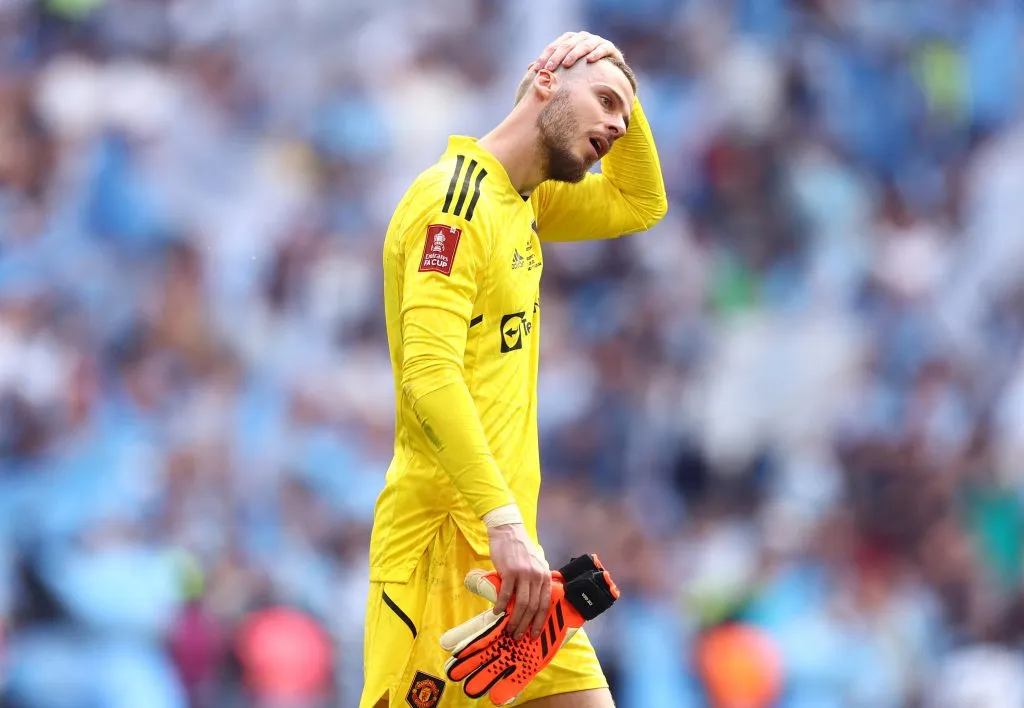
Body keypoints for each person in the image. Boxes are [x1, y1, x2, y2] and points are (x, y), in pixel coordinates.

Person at [361, 31, 667, 708]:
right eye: (607, 103)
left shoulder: (524, 202)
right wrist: (502, 523)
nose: (617, 126)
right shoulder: (454, 203)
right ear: (546, 80)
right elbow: (429, 373)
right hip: (444, 545)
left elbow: (641, 203)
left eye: (626, 116)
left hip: (507, 549)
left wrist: (617, 71)